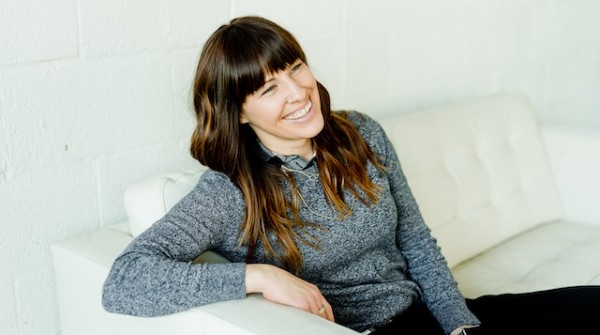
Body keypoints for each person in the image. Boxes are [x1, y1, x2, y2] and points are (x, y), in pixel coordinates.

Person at [102, 15, 600, 335]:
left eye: (296, 68)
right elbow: (123, 282)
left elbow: (415, 239)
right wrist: (259, 276)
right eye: (269, 89)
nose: (299, 92)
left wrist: (459, 324)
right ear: (239, 114)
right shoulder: (231, 190)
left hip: (430, 313)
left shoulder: (359, 133)